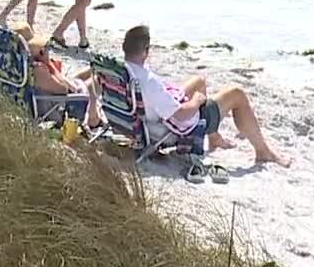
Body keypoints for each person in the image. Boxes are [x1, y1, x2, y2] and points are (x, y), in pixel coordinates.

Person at [122, 25, 291, 166]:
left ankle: (214, 138)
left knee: (199, 81)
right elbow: (181, 115)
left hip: (144, 116)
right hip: (165, 128)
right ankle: (263, 152)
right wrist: (196, 101)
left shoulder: (123, 72)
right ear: (146, 50)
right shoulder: (148, 81)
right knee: (237, 94)